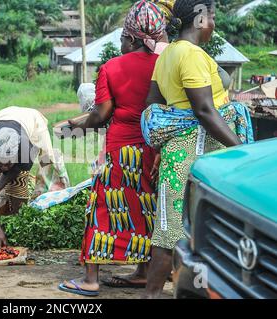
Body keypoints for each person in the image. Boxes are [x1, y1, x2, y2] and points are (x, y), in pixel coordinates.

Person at [141, 0, 254, 298]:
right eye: (213, 17)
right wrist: (243, 153)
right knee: (178, 230)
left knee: (170, 227)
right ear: (200, 19)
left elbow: (153, 104)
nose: (214, 24)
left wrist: (169, 141)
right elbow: (205, 111)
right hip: (198, 155)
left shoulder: (167, 56)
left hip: (178, 154)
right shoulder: (190, 55)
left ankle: (156, 294)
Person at [58, 0, 166, 296]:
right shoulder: (166, 65)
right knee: (147, 208)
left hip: (120, 151)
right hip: (154, 151)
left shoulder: (112, 67)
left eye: (121, 37)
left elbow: (102, 114)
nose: (120, 42)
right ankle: (143, 271)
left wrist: (75, 128)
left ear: (131, 37)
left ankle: (91, 279)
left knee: (101, 208)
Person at [0, 106, 70, 247]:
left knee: (45, 165)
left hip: (33, 122)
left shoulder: (26, 149)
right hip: (2, 115)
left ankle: (41, 203)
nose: (4, 168)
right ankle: (6, 214)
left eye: (9, 163)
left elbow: (15, 171)